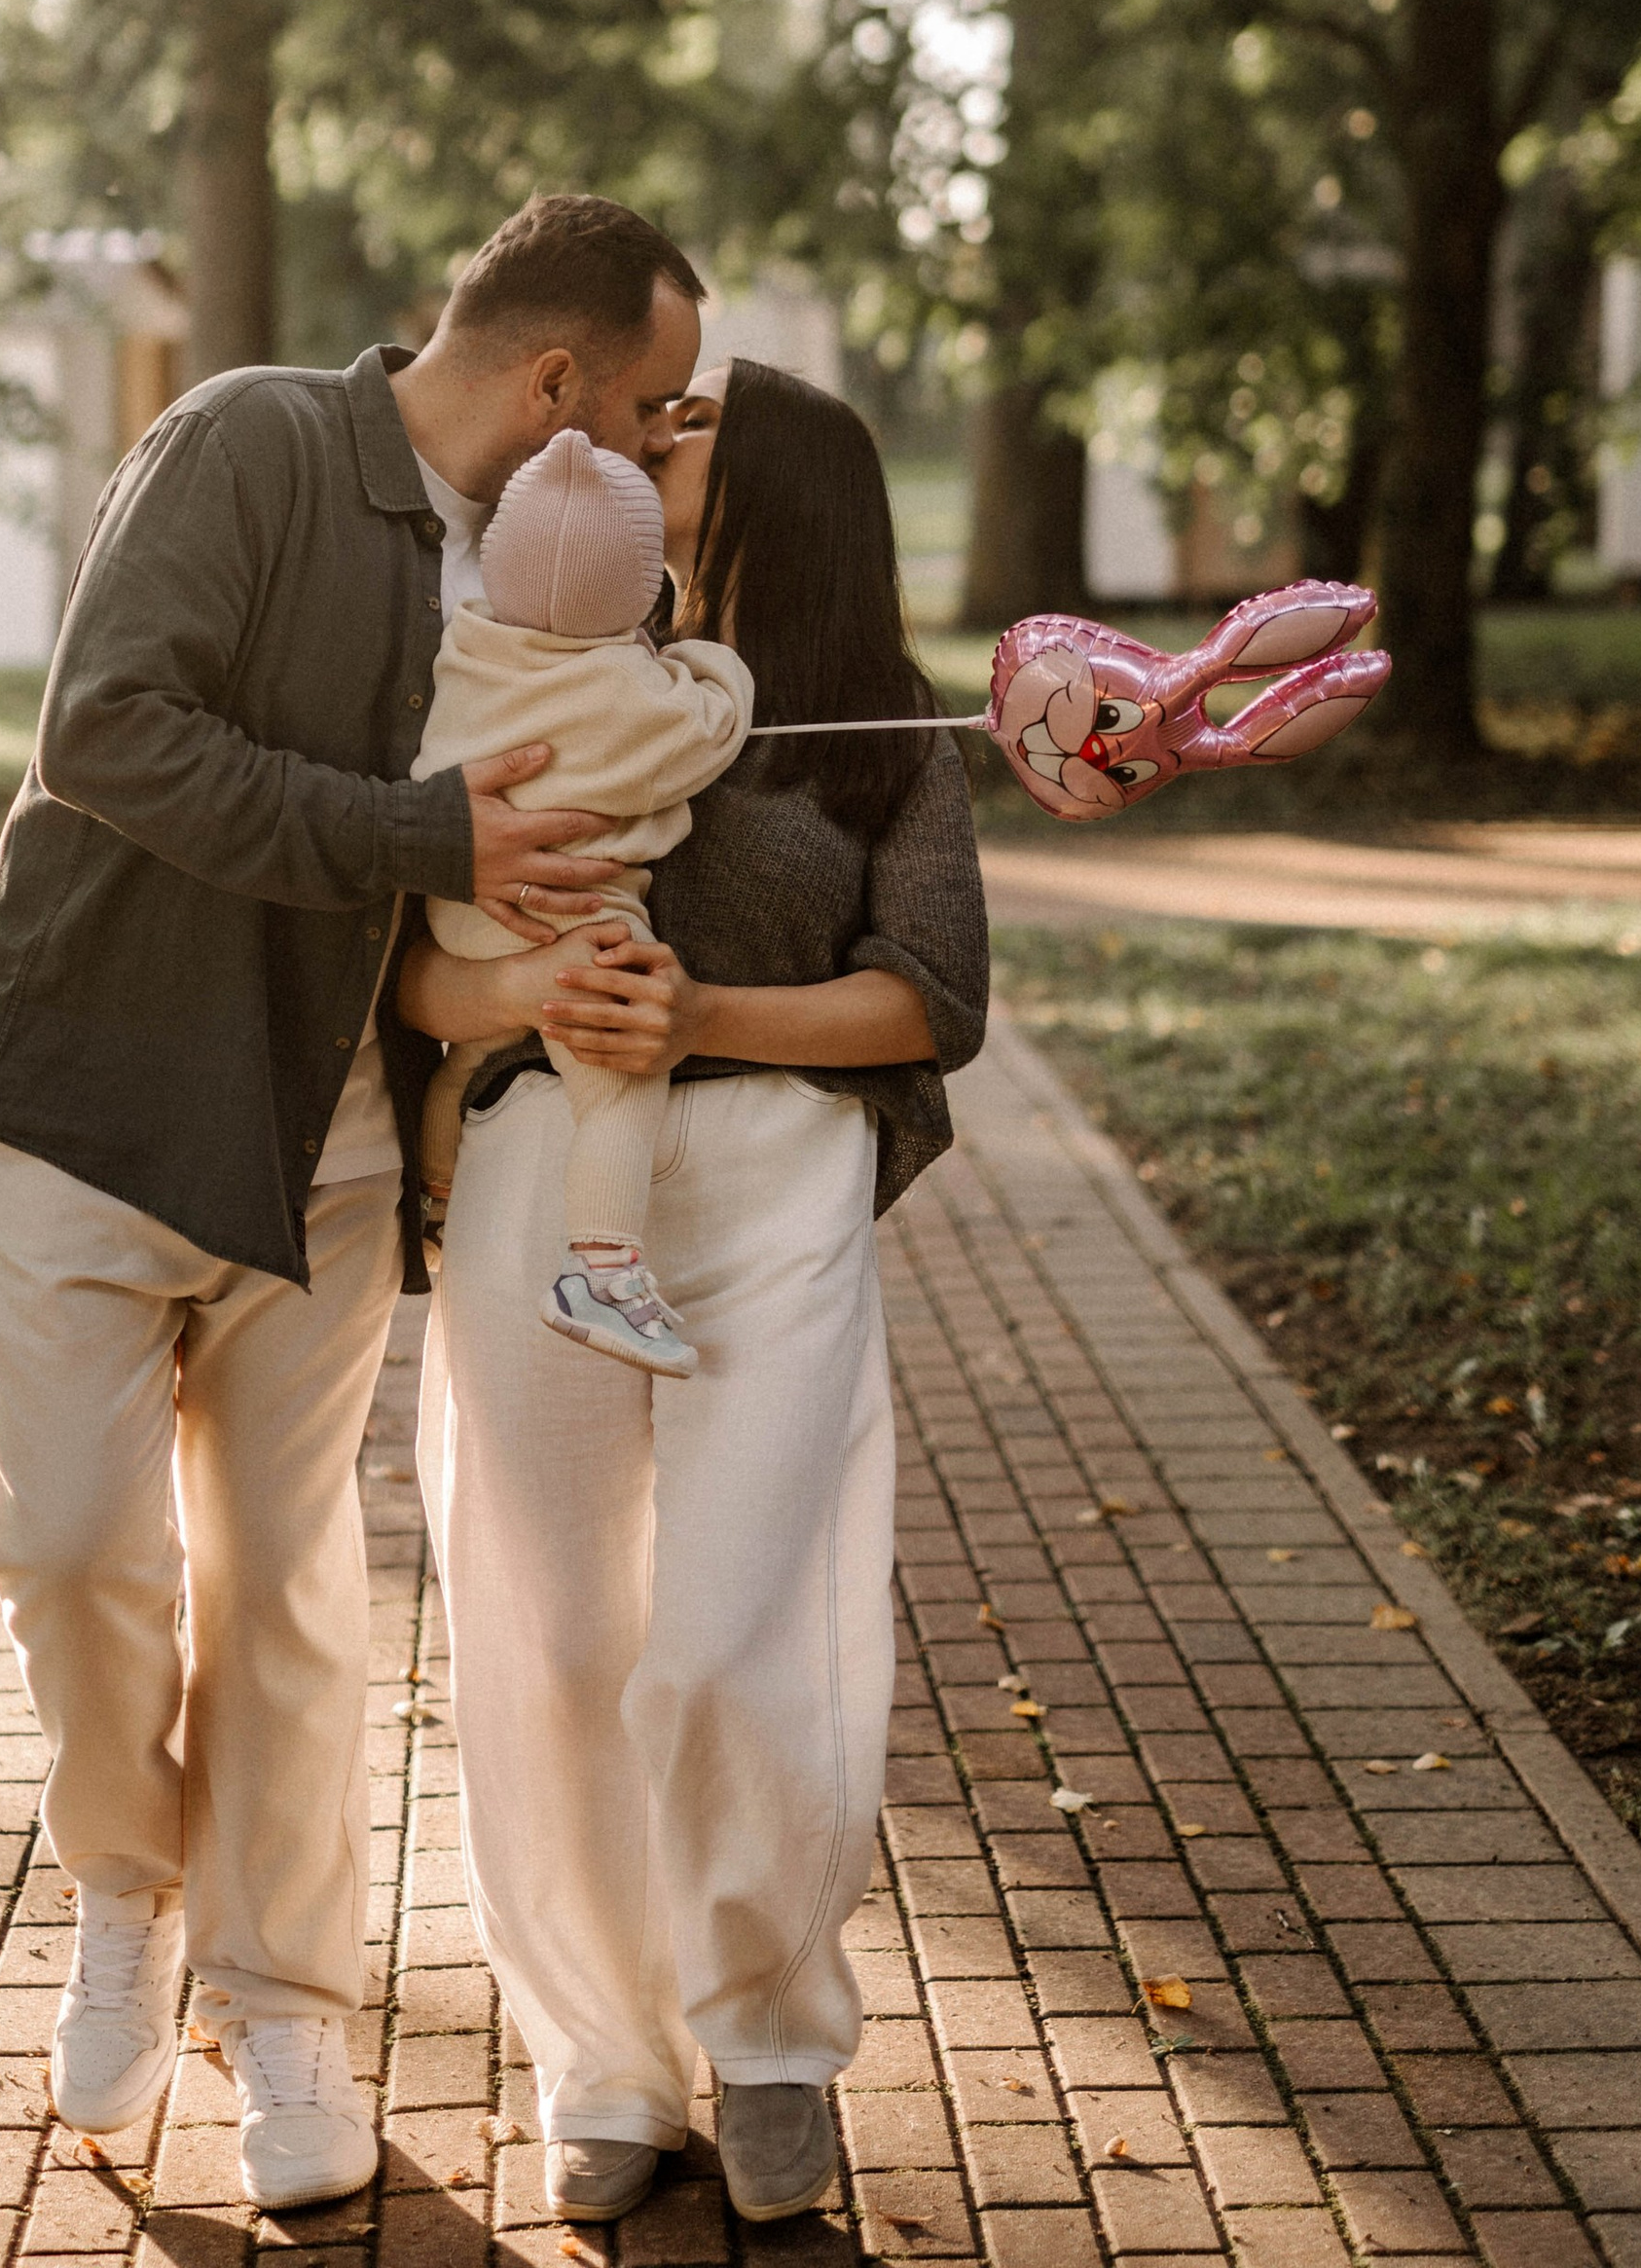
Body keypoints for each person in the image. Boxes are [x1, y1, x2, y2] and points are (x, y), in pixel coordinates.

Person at [0, 194, 706, 2207]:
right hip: (85, 1100)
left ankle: (281, 2013)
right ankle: (124, 1891)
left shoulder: (564, 585)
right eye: (645, 407)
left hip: (329, 1145)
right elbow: (103, 732)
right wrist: (413, 825)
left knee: (281, 1601)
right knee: (71, 1550)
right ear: (554, 383)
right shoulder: (253, 439)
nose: (654, 452)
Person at [402, 357, 990, 2231]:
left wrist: (702, 1015)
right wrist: (517, 1002)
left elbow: (932, 995)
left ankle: (770, 2041)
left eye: (692, 421)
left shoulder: (883, 725)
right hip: (536, 1168)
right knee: (549, 1633)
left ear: (790, 487)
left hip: (774, 1183)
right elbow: (409, 970)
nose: (645, 434)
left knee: (747, 1630)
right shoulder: (515, 660)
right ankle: (602, 2056)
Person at [411, 424, 751, 1378]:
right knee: (618, 1091)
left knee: (467, 1052)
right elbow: (707, 732)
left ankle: (436, 1192)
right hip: (572, 920)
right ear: (637, 590)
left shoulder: (464, 646)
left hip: (465, 904)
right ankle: (602, 1272)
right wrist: (711, 663)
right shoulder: (627, 693)